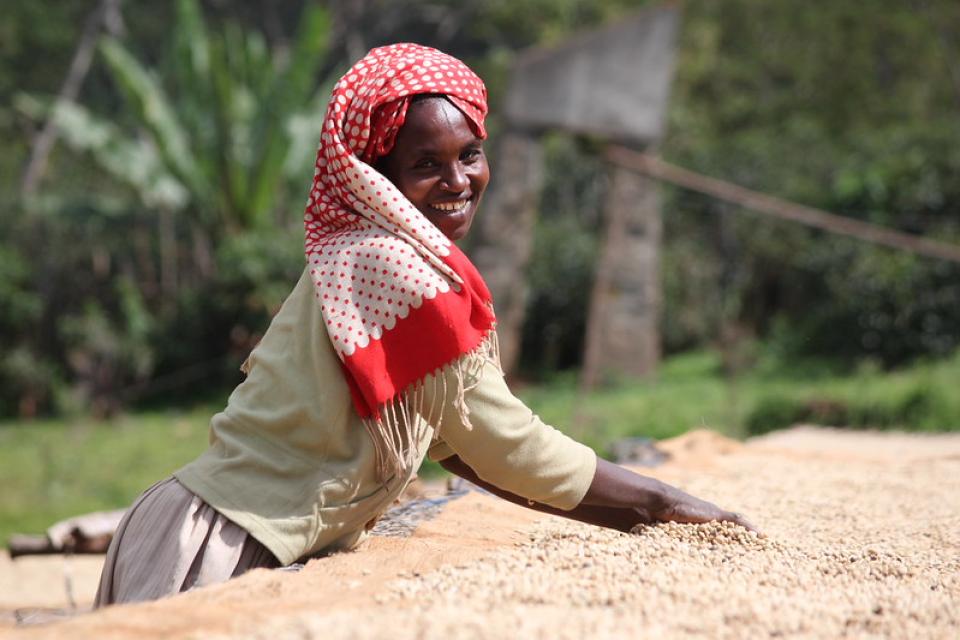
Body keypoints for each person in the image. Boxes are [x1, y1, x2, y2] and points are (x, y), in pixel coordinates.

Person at [95, 43, 754, 607]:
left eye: (469, 154)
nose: (457, 180)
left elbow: (458, 447)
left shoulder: (362, 250)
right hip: (219, 544)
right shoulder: (392, 267)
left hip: (209, 525)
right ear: (376, 174)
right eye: (425, 165)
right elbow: (501, 442)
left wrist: (634, 518)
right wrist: (665, 503)